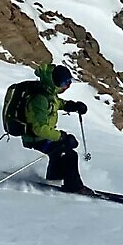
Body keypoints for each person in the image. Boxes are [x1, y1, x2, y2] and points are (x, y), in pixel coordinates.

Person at [21, 63, 90, 193]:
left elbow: (57, 103)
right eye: (65, 82)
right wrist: (63, 137)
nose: (67, 86)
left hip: (40, 136)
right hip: (35, 138)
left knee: (61, 150)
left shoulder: (49, 92)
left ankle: (54, 178)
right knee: (68, 153)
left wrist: (73, 106)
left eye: (69, 82)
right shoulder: (40, 98)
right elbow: (40, 129)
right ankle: (74, 186)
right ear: (55, 81)